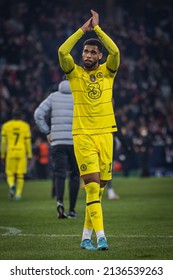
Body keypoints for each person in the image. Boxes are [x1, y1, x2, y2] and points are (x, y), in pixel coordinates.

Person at [58, 10, 120, 250]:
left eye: (92, 52)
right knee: (92, 186)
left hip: (106, 134)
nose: (87, 54)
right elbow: (63, 51)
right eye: (85, 51)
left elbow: (115, 52)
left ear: (99, 56)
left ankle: (85, 238)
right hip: (82, 134)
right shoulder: (74, 74)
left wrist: (99, 31)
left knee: (98, 192)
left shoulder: (108, 72)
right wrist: (83, 31)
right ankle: (102, 236)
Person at [34, 80, 80, 218]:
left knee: (60, 174)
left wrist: (47, 132)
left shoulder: (53, 97)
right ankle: (72, 210)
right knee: (74, 175)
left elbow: (38, 114)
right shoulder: (78, 96)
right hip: (75, 141)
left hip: (57, 142)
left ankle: (60, 202)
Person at [1, 109, 32, 200]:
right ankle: (18, 195)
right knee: (20, 175)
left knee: (10, 173)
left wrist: (3, 154)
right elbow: (28, 141)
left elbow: (3, 142)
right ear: (20, 116)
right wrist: (29, 154)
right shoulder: (25, 126)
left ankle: (11, 185)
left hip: (11, 151)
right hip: (21, 151)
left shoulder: (6, 126)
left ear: (12, 116)